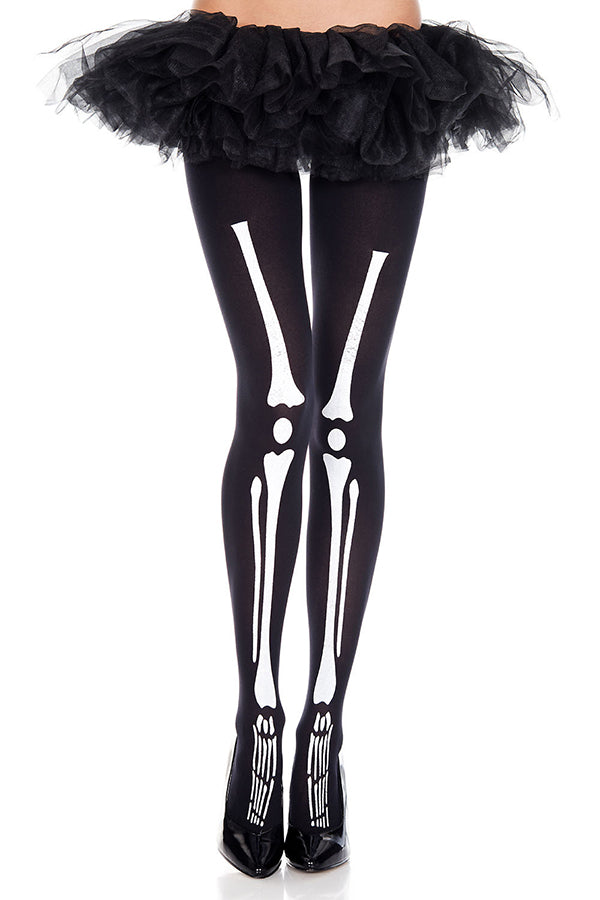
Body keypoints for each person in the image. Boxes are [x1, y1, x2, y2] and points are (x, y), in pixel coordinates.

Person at [36, 1, 556, 879]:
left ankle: (324, 727)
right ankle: (259, 723)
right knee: (280, 403)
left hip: (384, 65)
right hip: (234, 57)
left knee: (345, 412)